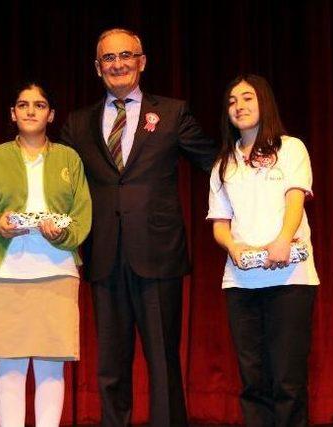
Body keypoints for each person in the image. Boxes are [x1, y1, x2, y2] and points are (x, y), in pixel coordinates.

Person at [60, 28, 217, 427]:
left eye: (126, 55)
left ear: (142, 61)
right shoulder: (77, 124)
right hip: (104, 254)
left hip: (157, 253)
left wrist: (262, 156)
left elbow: (213, 162)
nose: (118, 64)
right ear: (98, 68)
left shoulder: (172, 112)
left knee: (163, 360)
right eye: (109, 59)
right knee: (111, 364)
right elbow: (57, 184)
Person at [206, 74, 319, 426]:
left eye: (247, 98)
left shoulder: (291, 147)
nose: (238, 106)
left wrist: (284, 238)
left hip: (291, 279)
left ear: (264, 102)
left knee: (288, 378)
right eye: (231, 101)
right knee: (253, 380)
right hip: (241, 283)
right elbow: (220, 223)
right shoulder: (224, 163)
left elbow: (295, 197)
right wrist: (233, 246)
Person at [0, 82, 91, 427]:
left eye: (39, 105)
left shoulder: (69, 158)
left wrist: (65, 233)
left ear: (51, 115)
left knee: (51, 365)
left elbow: (83, 213)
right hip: (6, 270)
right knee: (9, 365)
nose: (30, 110)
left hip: (57, 269)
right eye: (23, 105)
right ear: (12, 113)